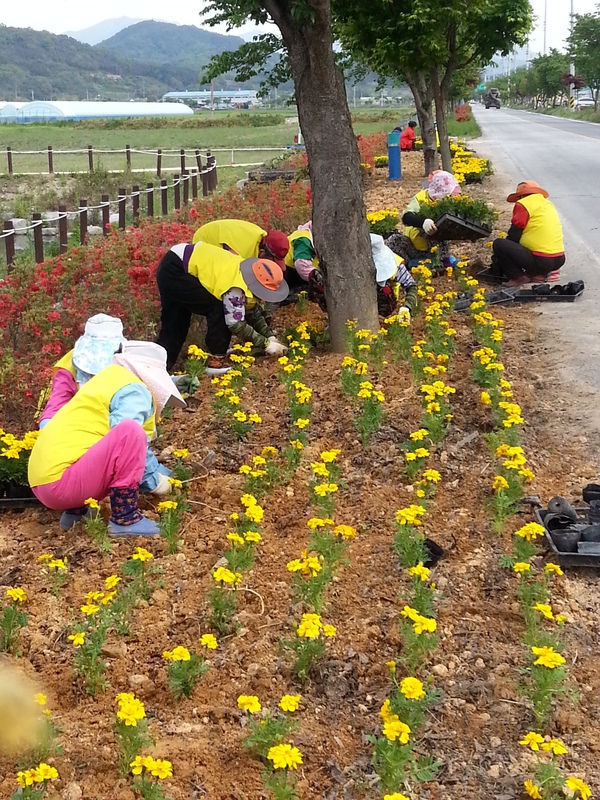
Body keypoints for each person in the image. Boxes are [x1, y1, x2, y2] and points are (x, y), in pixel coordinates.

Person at [28, 343, 185, 536]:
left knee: (91, 438)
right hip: (62, 484)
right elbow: (127, 440)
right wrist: (157, 482)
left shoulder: (104, 382)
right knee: (130, 431)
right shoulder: (133, 389)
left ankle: (76, 513)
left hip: (40, 482)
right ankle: (125, 518)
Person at [156, 242, 289, 374]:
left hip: (179, 262)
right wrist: (266, 344)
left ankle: (158, 368)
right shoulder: (235, 286)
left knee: (175, 323)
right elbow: (235, 323)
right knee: (215, 309)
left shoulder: (247, 273)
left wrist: (270, 337)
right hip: (176, 269)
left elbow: (252, 311)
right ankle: (215, 361)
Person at [39, 314, 125, 428]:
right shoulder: (68, 369)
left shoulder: (130, 364)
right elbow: (55, 407)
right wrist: (49, 429)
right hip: (77, 429)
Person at [489, 180, 565, 287]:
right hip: (559, 259)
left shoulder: (524, 204)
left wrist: (499, 259)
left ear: (521, 196)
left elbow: (514, 234)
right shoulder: (547, 204)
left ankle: (518, 277)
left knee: (499, 244)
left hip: (541, 260)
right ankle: (540, 274)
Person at [387, 170, 461, 268]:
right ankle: (411, 264)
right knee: (394, 240)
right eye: (448, 194)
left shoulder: (448, 203)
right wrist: (423, 222)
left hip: (433, 249)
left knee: (442, 232)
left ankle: (441, 261)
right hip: (413, 245)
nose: (450, 197)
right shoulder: (420, 198)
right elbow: (406, 217)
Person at [191, 219, 290, 269]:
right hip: (207, 240)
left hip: (223, 238)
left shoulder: (263, 240)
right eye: (271, 262)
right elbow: (238, 273)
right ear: (262, 252)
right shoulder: (242, 249)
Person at [284, 222, 319, 288]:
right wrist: (319, 282)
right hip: (289, 273)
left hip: (302, 272)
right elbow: (302, 266)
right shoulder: (304, 240)